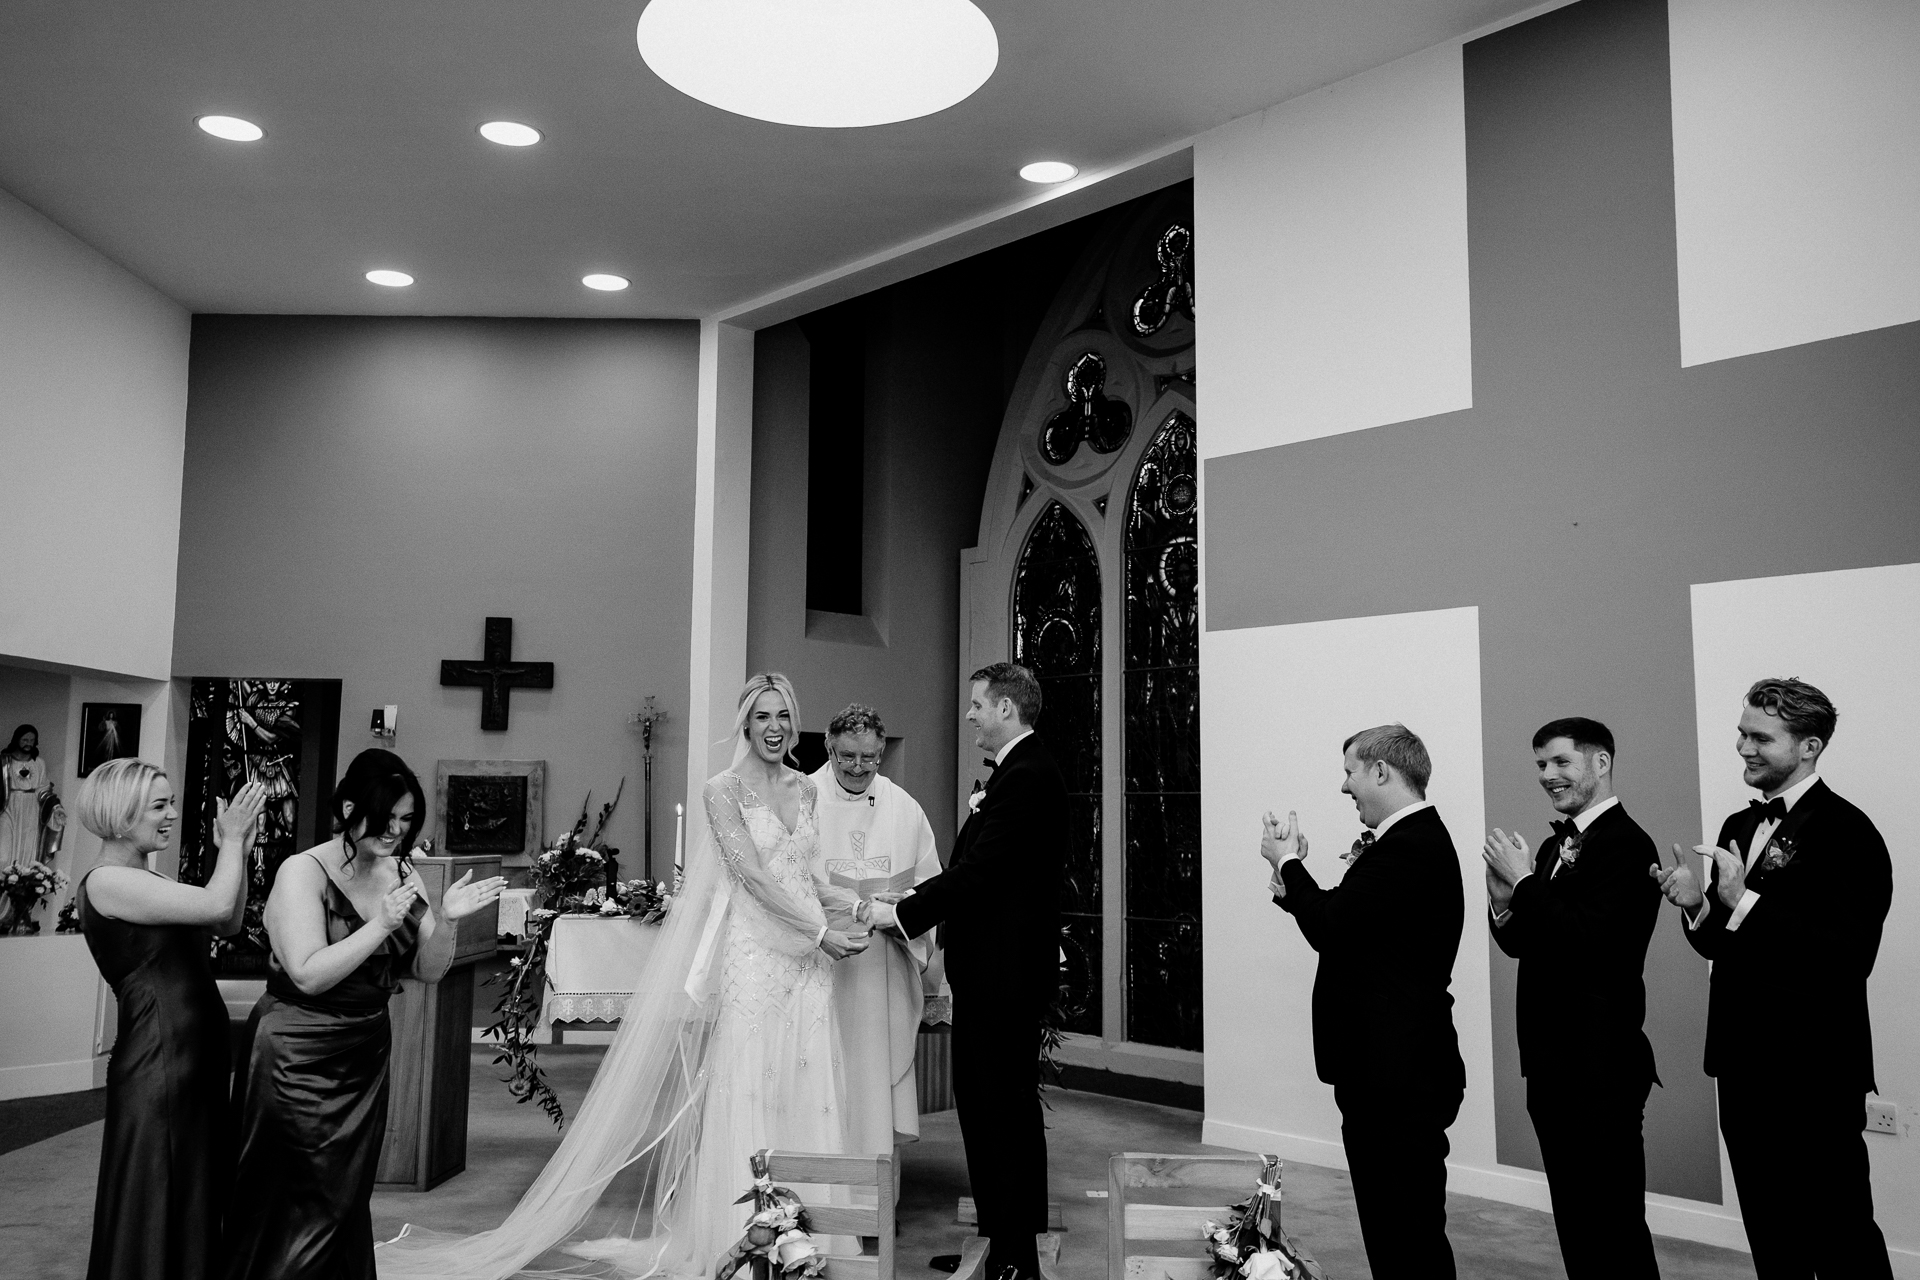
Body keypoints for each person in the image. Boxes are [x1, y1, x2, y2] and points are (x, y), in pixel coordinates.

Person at [375, 674, 869, 1280]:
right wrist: (820, 930)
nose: (773, 727)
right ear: (745, 724)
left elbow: (803, 875)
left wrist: (863, 907)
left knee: (809, 1075)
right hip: (759, 958)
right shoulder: (723, 791)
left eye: (783, 716)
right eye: (761, 716)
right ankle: (747, 1240)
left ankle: (815, 1239)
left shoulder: (808, 791)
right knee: (755, 1081)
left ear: (795, 723)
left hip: (808, 962)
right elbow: (755, 880)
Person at [223, 748, 504, 1280]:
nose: (395, 831)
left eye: (405, 820)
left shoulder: (402, 873)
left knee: (343, 1196)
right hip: (295, 1054)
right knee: (291, 1195)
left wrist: (445, 918)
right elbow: (306, 973)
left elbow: (428, 971)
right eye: (385, 818)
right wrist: (378, 925)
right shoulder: (301, 872)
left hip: (364, 1052)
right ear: (350, 807)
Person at [1651, 678, 1893, 1277]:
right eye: (1741, 733)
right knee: (1770, 1229)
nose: (1743, 747)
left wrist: (1745, 902)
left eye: (1761, 737)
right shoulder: (1739, 822)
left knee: (1840, 1233)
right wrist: (1697, 905)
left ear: (1809, 747)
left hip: (1813, 1068)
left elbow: (1848, 955)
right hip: (1741, 1061)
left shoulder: (1848, 832)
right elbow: (1722, 943)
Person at [869, 662, 1065, 1280]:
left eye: (978, 704)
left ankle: (1014, 1258)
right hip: (994, 972)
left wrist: (899, 912)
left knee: (999, 1112)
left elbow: (980, 874)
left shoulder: (1028, 777)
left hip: (1004, 976)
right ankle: (1001, 1242)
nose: (971, 713)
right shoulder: (1016, 774)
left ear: (1006, 709)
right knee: (987, 1109)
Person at [1259, 724, 1464, 1280]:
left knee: (1408, 1236)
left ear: (1381, 771)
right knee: (1394, 1231)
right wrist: (1292, 886)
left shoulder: (1411, 846)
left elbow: (1335, 925)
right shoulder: (1407, 844)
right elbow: (1355, 931)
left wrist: (1287, 864)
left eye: (1350, 770)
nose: (1344, 786)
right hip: (1389, 1070)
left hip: (1398, 1076)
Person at [1482, 718, 1660, 1279]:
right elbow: (1528, 943)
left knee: (1614, 1226)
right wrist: (1504, 902)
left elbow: (1592, 943)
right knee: (1578, 1222)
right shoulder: (1557, 844)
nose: (1547, 776)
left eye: (1560, 762)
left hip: (1599, 1065)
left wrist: (1527, 885)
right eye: (1540, 765)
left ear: (1600, 763)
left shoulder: (1628, 845)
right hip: (1553, 1062)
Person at [74, 761, 265, 1280]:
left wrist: (240, 851)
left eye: (170, 802)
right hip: (159, 1060)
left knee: (193, 1186)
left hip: (192, 1058)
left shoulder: (146, 877)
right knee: (157, 1186)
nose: (171, 815)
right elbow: (217, 902)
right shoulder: (108, 882)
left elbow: (224, 919)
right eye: (159, 806)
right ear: (120, 814)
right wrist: (230, 841)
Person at [808, 703, 942, 1157]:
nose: (859, 767)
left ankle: (876, 1200)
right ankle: (823, 1193)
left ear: (881, 751)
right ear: (829, 746)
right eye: (847, 757)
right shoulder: (803, 798)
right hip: (823, 965)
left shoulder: (902, 807)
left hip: (882, 969)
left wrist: (901, 906)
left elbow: (929, 881)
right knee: (822, 1075)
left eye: (869, 758)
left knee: (873, 1078)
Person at [1, 723, 51, 868]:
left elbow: (43, 788)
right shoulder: (4, 761)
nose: (29, 743)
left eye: (32, 740)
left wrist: (55, 807)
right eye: (25, 740)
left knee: (28, 848)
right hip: (7, 806)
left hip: (31, 809)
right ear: (17, 740)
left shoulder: (39, 763)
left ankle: (24, 883)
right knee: (4, 852)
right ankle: (4, 883)